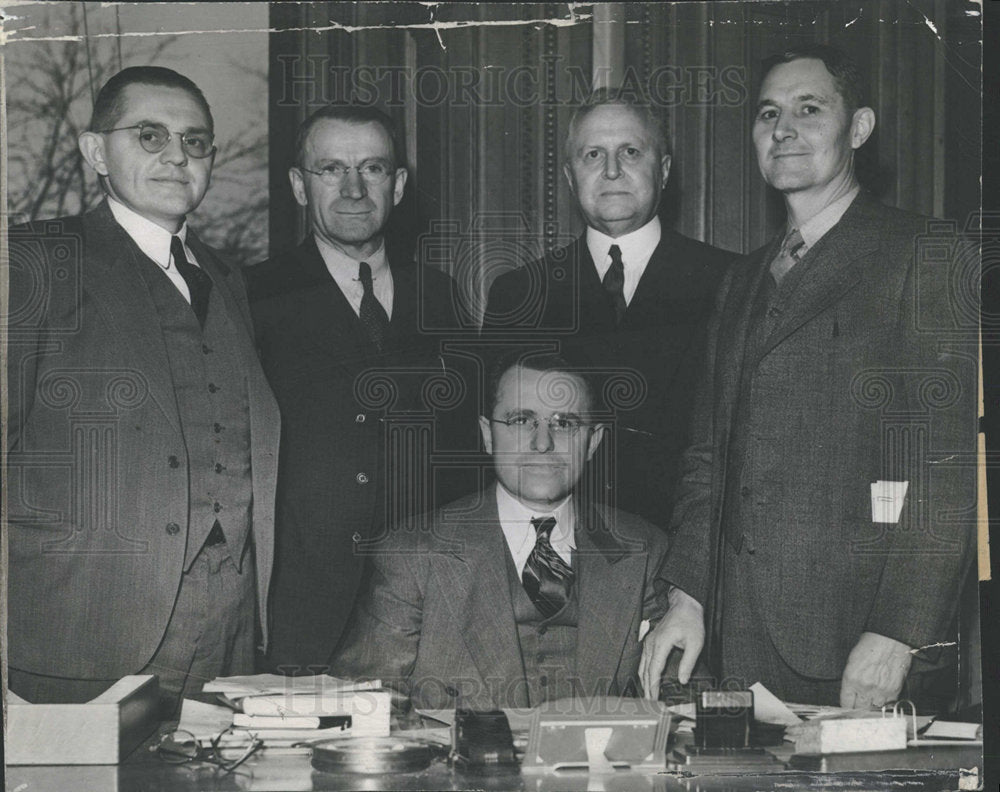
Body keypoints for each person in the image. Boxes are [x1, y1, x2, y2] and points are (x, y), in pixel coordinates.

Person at [640, 45, 977, 710]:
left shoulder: (926, 255)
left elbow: (950, 465)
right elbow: (709, 459)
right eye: (769, 113)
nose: (783, 129)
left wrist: (899, 633)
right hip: (736, 642)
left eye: (809, 109)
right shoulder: (740, 280)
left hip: (860, 646)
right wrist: (688, 595)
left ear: (859, 129)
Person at [6, 66, 280, 713]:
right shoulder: (32, 260)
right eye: (150, 136)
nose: (177, 156)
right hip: (76, 630)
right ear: (96, 151)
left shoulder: (228, 279)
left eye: (195, 141)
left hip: (228, 630)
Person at [246, 106, 464, 673]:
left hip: (423, 611)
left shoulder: (441, 297)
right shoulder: (253, 296)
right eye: (331, 169)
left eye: (372, 168)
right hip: (298, 613)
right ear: (300, 186)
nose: (353, 189)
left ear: (398, 185)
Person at [332, 352, 670, 709]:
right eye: (522, 420)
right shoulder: (414, 553)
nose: (543, 443)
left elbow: (688, 705)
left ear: (594, 441)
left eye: (565, 423)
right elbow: (361, 707)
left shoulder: (645, 550)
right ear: (488, 435)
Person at [483, 89, 731, 528]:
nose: (612, 170)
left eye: (630, 152)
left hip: (692, 546)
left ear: (664, 170)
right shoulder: (518, 293)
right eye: (593, 154)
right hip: (560, 549)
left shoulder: (730, 281)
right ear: (569, 176)